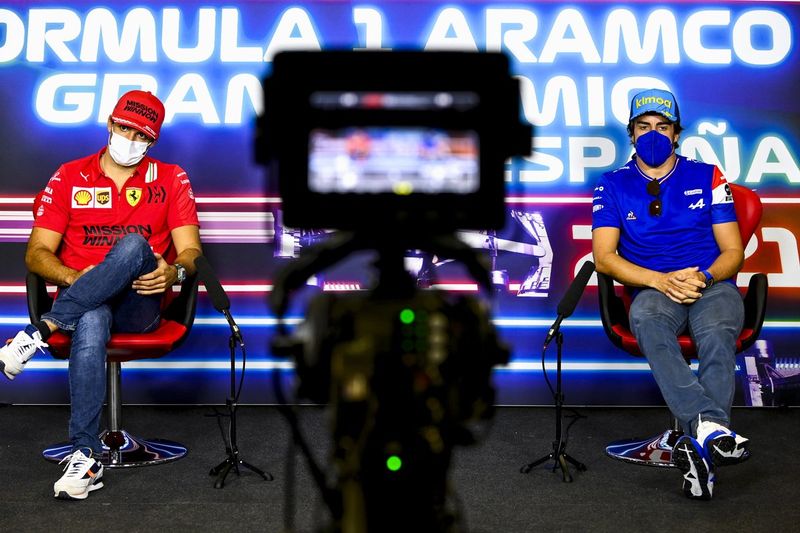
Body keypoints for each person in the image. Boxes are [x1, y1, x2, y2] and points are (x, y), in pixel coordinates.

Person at [0, 90, 201, 500]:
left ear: (152, 141)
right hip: (86, 303)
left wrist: (174, 272)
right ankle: (86, 456)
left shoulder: (170, 178)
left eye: (141, 135)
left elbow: (192, 252)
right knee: (92, 314)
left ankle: (40, 330)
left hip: (140, 305)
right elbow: (36, 254)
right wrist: (76, 277)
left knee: (132, 246)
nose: (130, 138)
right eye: (124, 127)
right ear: (110, 124)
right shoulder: (70, 175)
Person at [591, 88, 749, 500]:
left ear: (677, 134)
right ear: (631, 134)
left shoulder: (709, 175)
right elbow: (605, 258)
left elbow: (734, 251)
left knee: (716, 336)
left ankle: (700, 452)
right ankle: (711, 428)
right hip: (653, 287)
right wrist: (659, 280)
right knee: (645, 320)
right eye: (644, 127)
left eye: (663, 127)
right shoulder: (611, 185)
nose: (653, 134)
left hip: (710, 284)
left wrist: (706, 277)